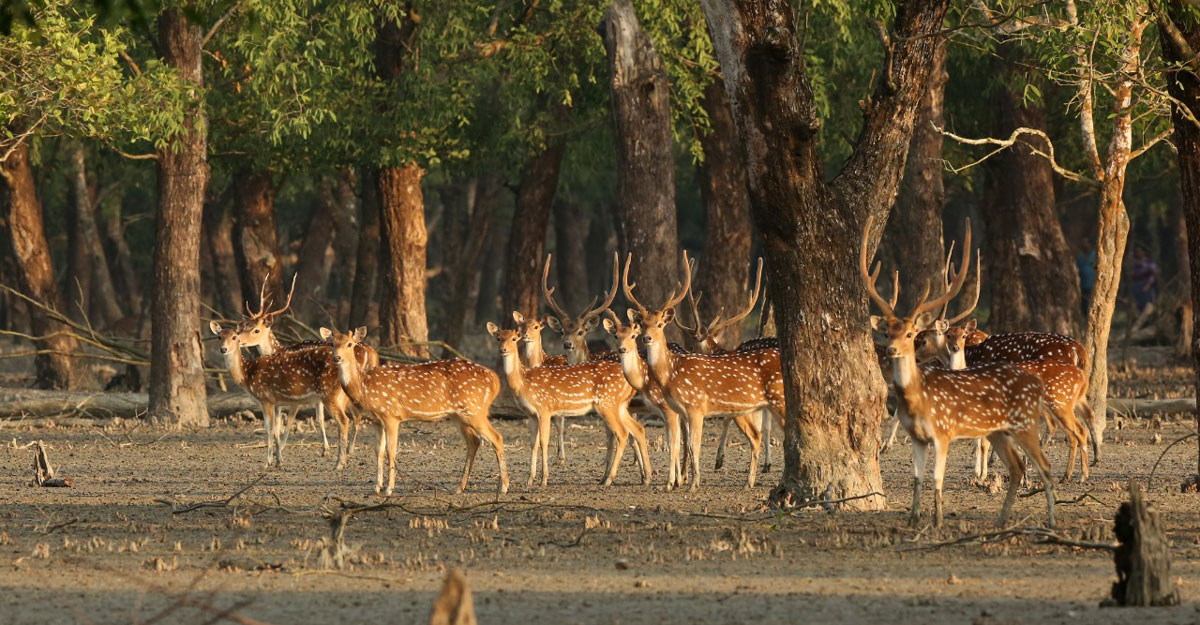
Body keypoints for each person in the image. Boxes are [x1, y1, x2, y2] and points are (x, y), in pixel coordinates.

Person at [1128, 245, 1159, 337]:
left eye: (1139, 251)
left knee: (1148, 307)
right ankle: (1139, 328)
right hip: (1136, 286)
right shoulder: (1133, 263)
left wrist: (1148, 285)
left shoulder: (1149, 262)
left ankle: (1148, 325)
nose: (1138, 253)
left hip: (1146, 286)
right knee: (1138, 307)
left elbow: (1153, 275)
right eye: (1136, 251)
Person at [1076, 236, 1096, 316]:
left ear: (1090, 244)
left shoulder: (1095, 255)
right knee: (1084, 306)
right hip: (1082, 285)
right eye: (1082, 242)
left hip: (1092, 285)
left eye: (1085, 242)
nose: (1083, 244)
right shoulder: (1079, 256)